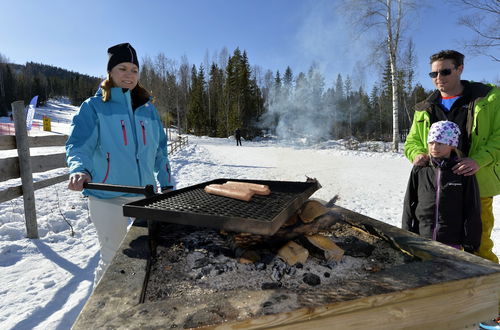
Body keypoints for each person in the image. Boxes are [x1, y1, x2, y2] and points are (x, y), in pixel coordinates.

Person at [66, 42, 174, 284]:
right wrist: (79, 170)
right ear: (110, 72)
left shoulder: (149, 110)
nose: (129, 75)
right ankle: (99, 313)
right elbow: (78, 144)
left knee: (147, 253)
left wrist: (166, 185)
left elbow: (160, 152)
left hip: (143, 193)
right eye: (123, 68)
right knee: (112, 257)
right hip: (107, 195)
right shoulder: (94, 107)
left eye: (134, 70)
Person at [404, 49, 500, 263]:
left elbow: (498, 137)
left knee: (479, 247)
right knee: (433, 246)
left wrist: (478, 160)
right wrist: (416, 154)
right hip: (434, 189)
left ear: (460, 69)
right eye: (433, 74)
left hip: (476, 187)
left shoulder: (489, 98)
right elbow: (412, 142)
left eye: (445, 72)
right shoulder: (425, 108)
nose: (439, 78)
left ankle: (491, 294)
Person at [402, 121, 482, 252]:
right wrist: (405, 233)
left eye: (440, 143)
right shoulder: (421, 169)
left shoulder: (462, 171)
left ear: (451, 145)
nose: (434, 147)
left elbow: (472, 208)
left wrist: (471, 243)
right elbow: (409, 202)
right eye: (431, 142)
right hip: (422, 238)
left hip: (451, 241)